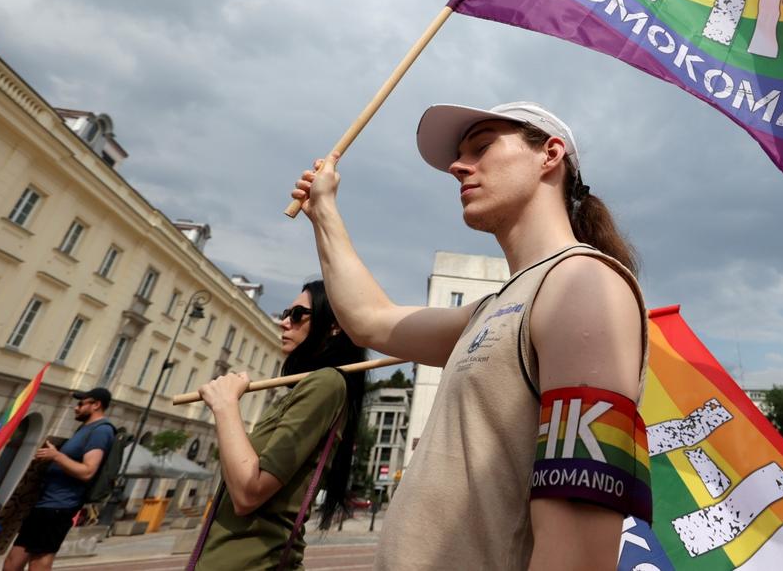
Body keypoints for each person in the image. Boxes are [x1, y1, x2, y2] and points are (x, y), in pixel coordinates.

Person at [289, 101, 650, 571]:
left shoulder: (582, 284)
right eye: (461, 155)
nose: (459, 166)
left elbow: (580, 545)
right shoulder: (494, 308)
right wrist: (324, 212)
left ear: (550, 154)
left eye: (481, 147)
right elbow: (371, 320)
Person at [192, 280, 366, 569]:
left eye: (298, 315)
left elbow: (248, 493)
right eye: (287, 312)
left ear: (335, 325)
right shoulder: (305, 388)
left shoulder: (327, 382)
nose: (284, 322)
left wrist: (225, 407)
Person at [4, 388, 115, 571]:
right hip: (44, 503)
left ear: (96, 405)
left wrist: (56, 456)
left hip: (59, 506)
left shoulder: (101, 431)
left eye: (81, 403)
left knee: (39, 562)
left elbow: (88, 471)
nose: (75, 408)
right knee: (12, 562)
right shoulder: (84, 429)